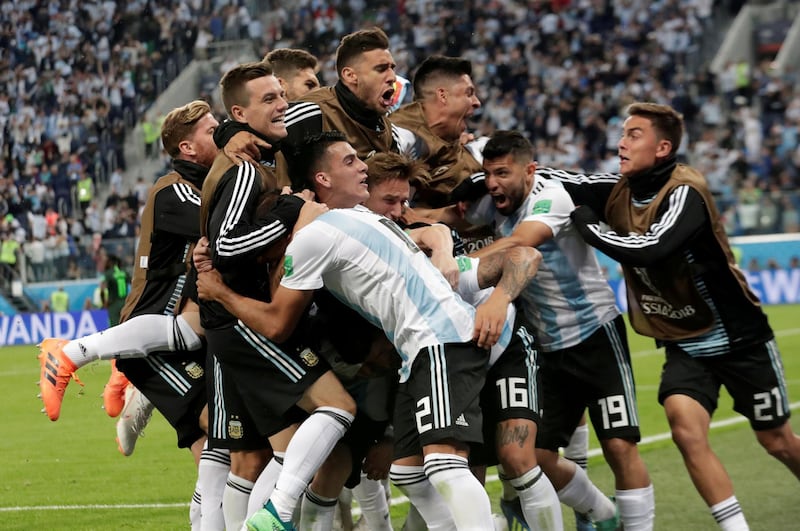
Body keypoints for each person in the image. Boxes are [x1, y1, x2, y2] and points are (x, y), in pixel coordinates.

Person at [198, 131, 537, 530]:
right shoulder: (360, 222)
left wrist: (219, 291)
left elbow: (276, 322)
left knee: (445, 465)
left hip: (441, 342)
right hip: (421, 353)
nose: (363, 166)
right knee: (408, 470)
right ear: (322, 179)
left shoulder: (326, 232)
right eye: (349, 161)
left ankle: (278, 512)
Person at [568, 102, 800, 529]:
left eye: (633, 134)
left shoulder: (685, 191)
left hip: (739, 338)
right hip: (685, 344)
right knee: (685, 431)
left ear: (662, 147)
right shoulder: (619, 188)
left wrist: (589, 226)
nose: (620, 141)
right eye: (622, 132)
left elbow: (651, 248)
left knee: (777, 440)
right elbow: (562, 180)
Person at [38, 99, 226, 529]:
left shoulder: (207, 183)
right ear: (187, 147)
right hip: (157, 336)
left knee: (218, 445)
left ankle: (128, 393)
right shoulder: (174, 188)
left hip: (170, 334)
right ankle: (73, 353)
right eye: (211, 129)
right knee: (221, 437)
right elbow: (221, 223)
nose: (221, 134)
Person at [465, 131, 655, 530]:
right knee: (535, 455)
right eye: (488, 174)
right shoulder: (493, 201)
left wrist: (454, 267)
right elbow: (456, 215)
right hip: (548, 351)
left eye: (503, 172)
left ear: (530, 170)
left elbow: (522, 241)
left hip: (596, 336)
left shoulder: (551, 198)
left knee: (620, 446)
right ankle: (602, 513)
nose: (494, 183)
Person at [199, 61, 353, 531]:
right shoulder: (246, 169)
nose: (283, 104)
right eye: (269, 99)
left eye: (281, 96)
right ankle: (273, 519)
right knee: (338, 407)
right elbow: (226, 246)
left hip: (237, 320)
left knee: (284, 449)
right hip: (245, 322)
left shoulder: (259, 157)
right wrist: (292, 207)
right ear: (240, 113)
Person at [216, 27, 399, 190]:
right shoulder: (313, 112)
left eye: (392, 68)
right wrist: (230, 132)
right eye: (381, 69)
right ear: (350, 75)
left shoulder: (386, 129)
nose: (392, 76)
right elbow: (255, 131)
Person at [390, 55, 484, 209]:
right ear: (443, 95)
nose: (477, 102)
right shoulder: (403, 136)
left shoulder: (463, 146)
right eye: (469, 93)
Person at [100, 254, 131, 326]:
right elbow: (134, 283)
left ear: (110, 262)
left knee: (114, 327)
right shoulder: (124, 271)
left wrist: (103, 302)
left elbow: (102, 289)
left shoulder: (108, 273)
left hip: (113, 304)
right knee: (125, 325)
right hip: (125, 303)